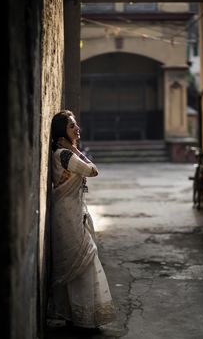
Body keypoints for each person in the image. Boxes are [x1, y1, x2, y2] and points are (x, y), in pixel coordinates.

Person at [48, 109, 116, 333]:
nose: (77, 129)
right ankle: (81, 317)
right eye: (71, 126)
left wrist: (73, 148)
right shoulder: (65, 155)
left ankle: (76, 315)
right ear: (61, 133)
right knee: (81, 263)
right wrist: (75, 149)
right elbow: (93, 170)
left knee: (79, 263)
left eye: (76, 125)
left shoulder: (62, 153)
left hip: (70, 212)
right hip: (68, 215)